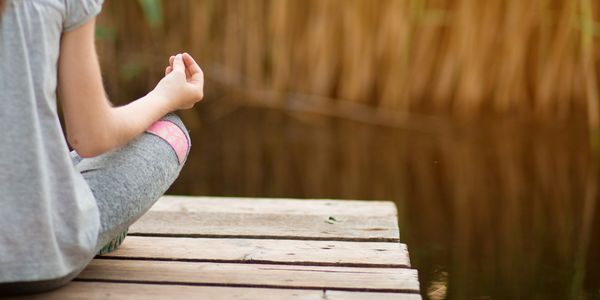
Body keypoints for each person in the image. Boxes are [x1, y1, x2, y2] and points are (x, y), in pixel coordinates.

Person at [0, 0, 204, 294]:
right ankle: (102, 230)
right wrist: (167, 95)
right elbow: (92, 137)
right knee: (170, 130)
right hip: (37, 257)